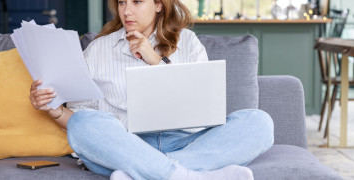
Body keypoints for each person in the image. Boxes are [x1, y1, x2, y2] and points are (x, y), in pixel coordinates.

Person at [29, 0, 274, 179]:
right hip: (125, 145)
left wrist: (155, 60)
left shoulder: (188, 42)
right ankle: (188, 176)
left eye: (137, 2)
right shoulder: (98, 49)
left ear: (158, 4)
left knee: (260, 122)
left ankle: (145, 172)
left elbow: (199, 103)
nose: (126, 11)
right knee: (83, 124)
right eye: (122, 2)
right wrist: (54, 110)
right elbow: (83, 123)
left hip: (188, 142)